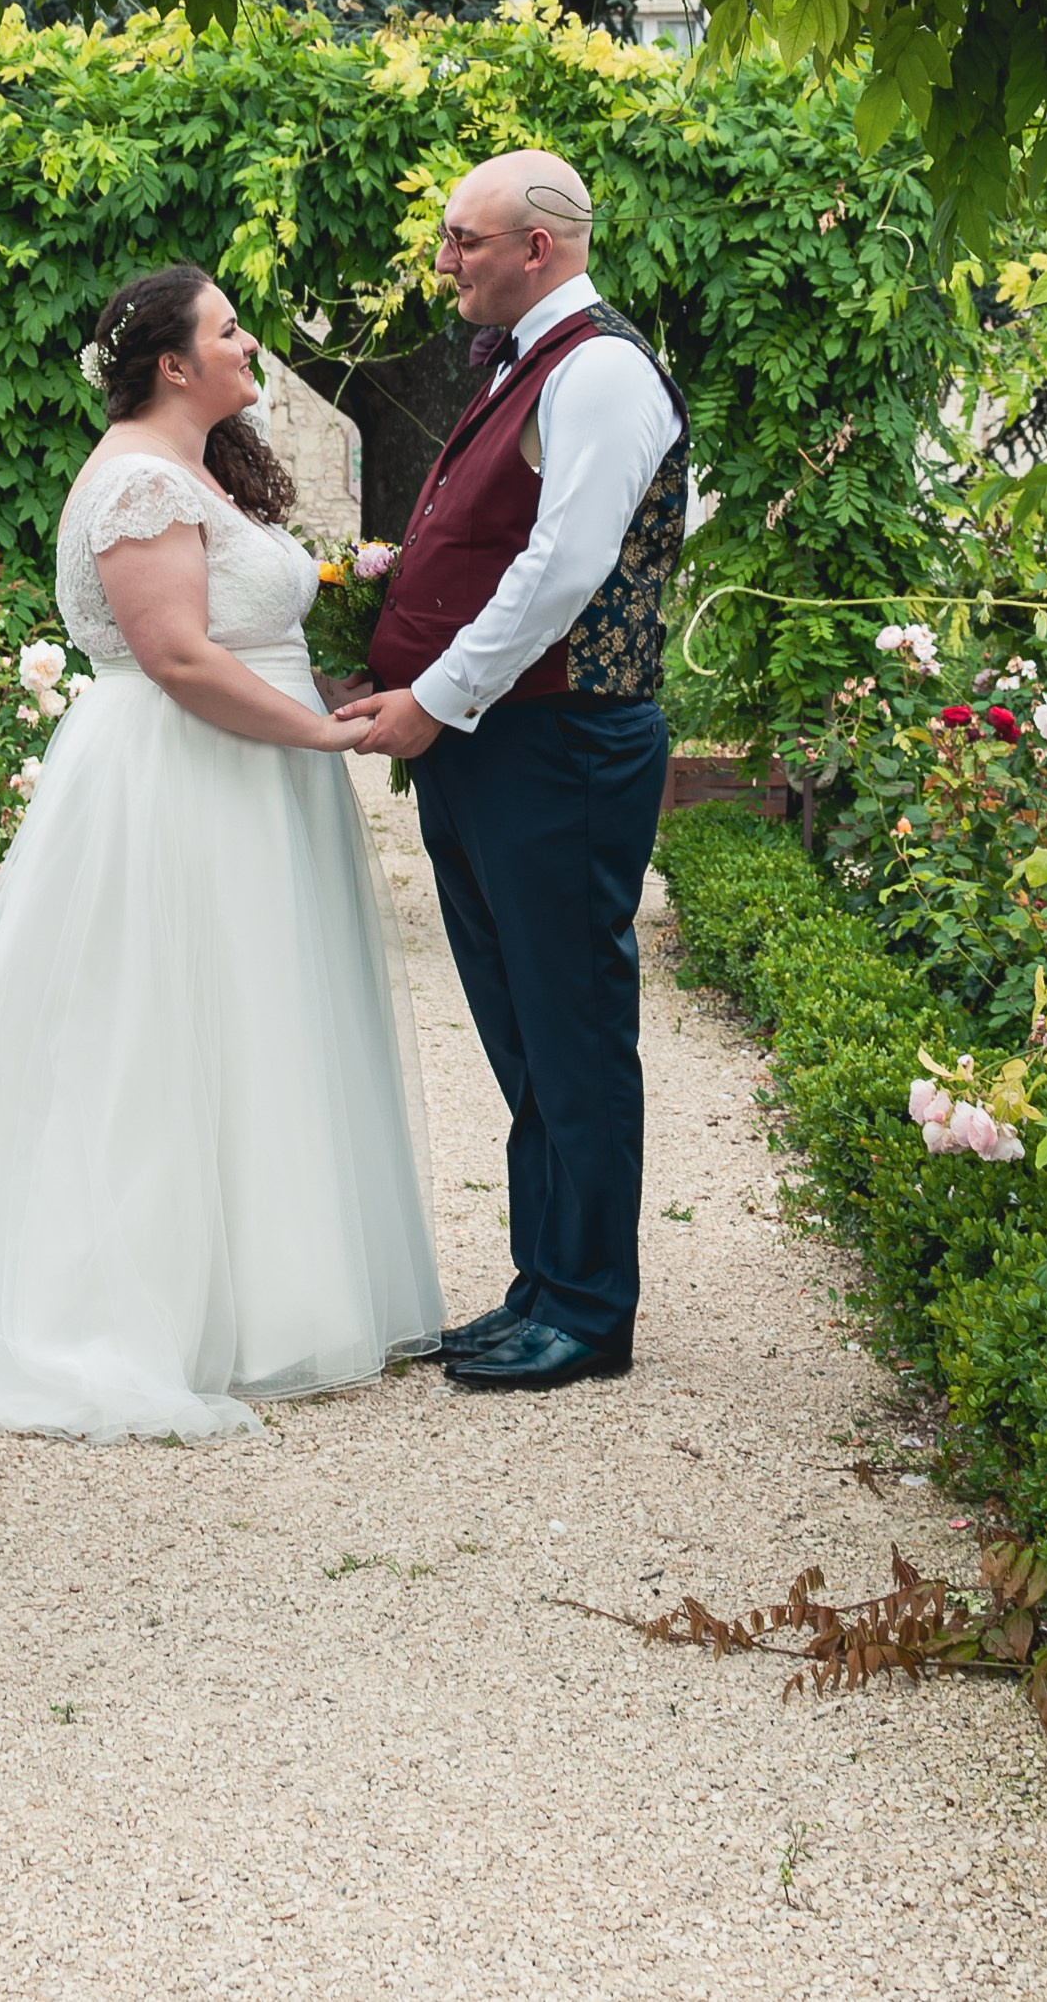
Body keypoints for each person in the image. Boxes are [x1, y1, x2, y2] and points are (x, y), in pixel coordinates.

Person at [0, 264, 441, 1442]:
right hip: (181, 778)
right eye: (229, 332)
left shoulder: (195, 466)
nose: (250, 347)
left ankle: (270, 1303)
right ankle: (141, 1311)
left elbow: (241, 627)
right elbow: (177, 659)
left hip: (248, 771)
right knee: (159, 1031)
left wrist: (326, 694)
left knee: (254, 1022)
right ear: (174, 364)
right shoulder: (137, 479)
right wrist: (320, 733)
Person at [346, 150, 688, 1393]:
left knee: (575, 1032)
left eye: (461, 242)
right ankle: (543, 1282)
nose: (444, 263)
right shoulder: (528, 362)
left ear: (535, 248)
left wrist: (436, 699)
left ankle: (590, 1313)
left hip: (563, 744)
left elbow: (563, 570)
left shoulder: (597, 368)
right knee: (525, 1035)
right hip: (506, 746)